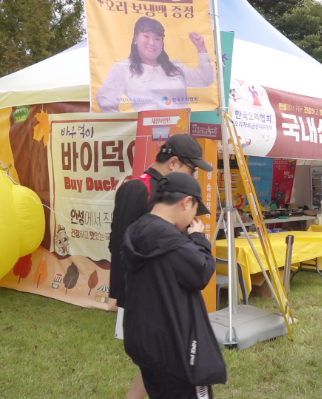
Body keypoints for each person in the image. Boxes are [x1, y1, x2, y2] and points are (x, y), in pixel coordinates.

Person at [109, 134, 214, 399]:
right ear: (174, 162)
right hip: (156, 295)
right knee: (163, 362)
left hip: (151, 288)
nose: (194, 178)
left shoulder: (142, 187)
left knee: (153, 362)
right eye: (192, 170)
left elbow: (122, 241)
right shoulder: (149, 192)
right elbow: (129, 243)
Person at [122, 172, 226, 398]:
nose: (191, 220)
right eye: (194, 212)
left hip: (146, 343)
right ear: (187, 202)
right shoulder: (171, 241)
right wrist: (198, 238)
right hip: (180, 348)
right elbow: (201, 272)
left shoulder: (136, 231)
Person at [96, 17, 215, 112]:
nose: (151, 43)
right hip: (146, 135)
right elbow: (104, 99)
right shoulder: (124, 68)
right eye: (146, 36)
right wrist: (127, 128)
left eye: (157, 38)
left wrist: (201, 47)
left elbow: (205, 80)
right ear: (136, 38)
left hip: (178, 134)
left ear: (162, 43)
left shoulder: (176, 68)